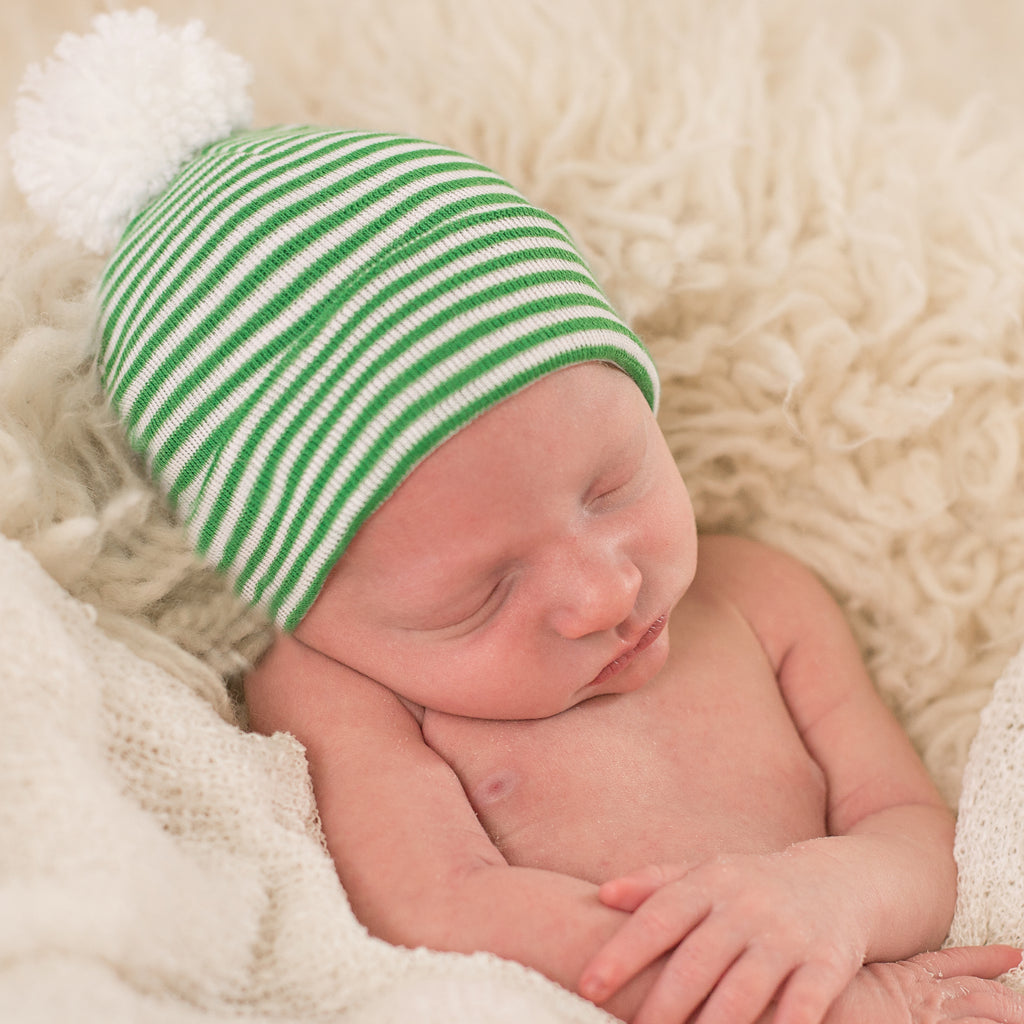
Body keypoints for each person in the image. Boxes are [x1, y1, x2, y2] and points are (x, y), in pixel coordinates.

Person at [11, 11, 1024, 1024]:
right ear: (305, 603)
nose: (604, 591)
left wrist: (827, 903)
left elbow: (907, 826)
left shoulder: (759, 595)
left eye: (613, 485)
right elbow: (442, 911)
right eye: (477, 593)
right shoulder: (333, 685)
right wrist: (823, 1003)